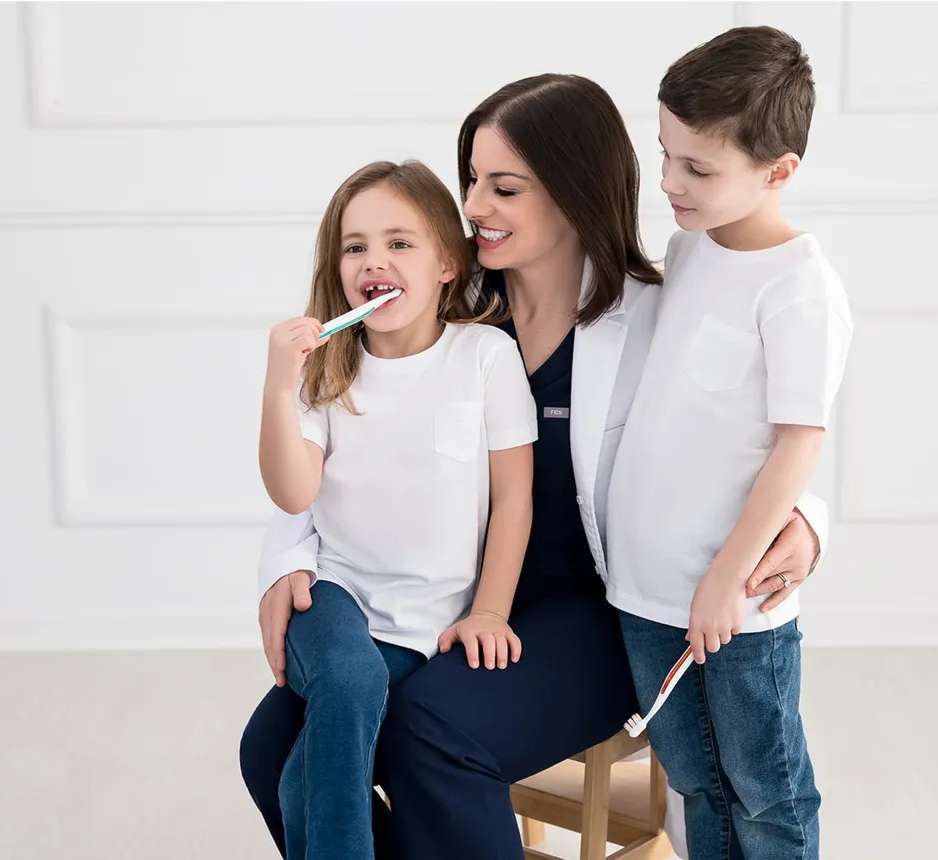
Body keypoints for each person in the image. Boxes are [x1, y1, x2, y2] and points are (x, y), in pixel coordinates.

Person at [241, 73, 831, 860]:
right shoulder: (439, 312)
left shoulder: (655, 314)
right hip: (435, 602)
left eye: (504, 188)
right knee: (271, 744)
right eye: (472, 181)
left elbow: (769, 426)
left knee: (425, 730)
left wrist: (810, 524)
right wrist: (286, 559)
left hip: (590, 613)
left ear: (571, 192)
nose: (475, 207)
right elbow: (342, 427)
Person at [606, 27, 854, 860]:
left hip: (736, 609)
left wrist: (724, 578)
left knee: (766, 792)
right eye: (666, 156)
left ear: (779, 170)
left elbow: (798, 444)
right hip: (644, 595)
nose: (670, 183)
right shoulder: (685, 252)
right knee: (694, 785)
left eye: (698, 169)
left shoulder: (799, 288)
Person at [258, 159, 537, 860]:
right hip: (335, 600)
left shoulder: (485, 358)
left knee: (300, 786)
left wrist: (491, 610)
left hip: (426, 625)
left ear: (447, 261)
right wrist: (276, 387)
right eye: (355, 246)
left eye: (398, 243)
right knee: (349, 682)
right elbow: (293, 493)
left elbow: (514, 501)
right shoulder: (331, 370)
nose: (373, 260)